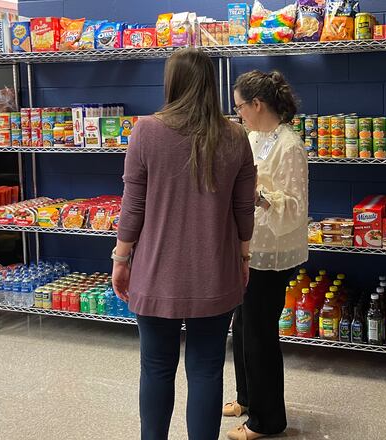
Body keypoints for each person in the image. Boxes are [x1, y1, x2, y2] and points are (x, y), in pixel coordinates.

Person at [112, 48, 257, 440]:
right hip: (216, 270)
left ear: (171, 83)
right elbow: (245, 210)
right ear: (212, 85)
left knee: (156, 366)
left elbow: (133, 207)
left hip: (155, 271)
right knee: (207, 368)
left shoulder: (146, 130)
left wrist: (121, 259)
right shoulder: (235, 135)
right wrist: (243, 257)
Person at [224, 70, 309, 440]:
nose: (238, 112)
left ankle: (267, 420)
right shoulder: (255, 136)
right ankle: (246, 398)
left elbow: (294, 207)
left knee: (260, 334)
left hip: (272, 253)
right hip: (249, 247)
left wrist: (257, 196)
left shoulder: (290, 145)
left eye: (240, 105)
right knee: (242, 326)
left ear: (257, 104)